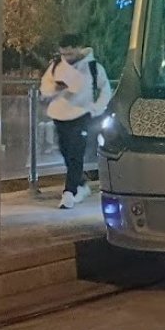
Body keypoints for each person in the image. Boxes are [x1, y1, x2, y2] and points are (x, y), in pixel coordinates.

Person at [40, 33, 112, 209]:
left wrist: (96, 108)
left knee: (76, 152)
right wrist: (57, 87)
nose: (67, 57)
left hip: (82, 115)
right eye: (64, 54)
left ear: (79, 48)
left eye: (70, 53)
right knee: (65, 151)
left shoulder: (93, 67)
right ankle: (80, 184)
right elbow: (45, 87)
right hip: (60, 115)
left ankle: (69, 192)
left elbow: (105, 89)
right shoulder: (56, 66)